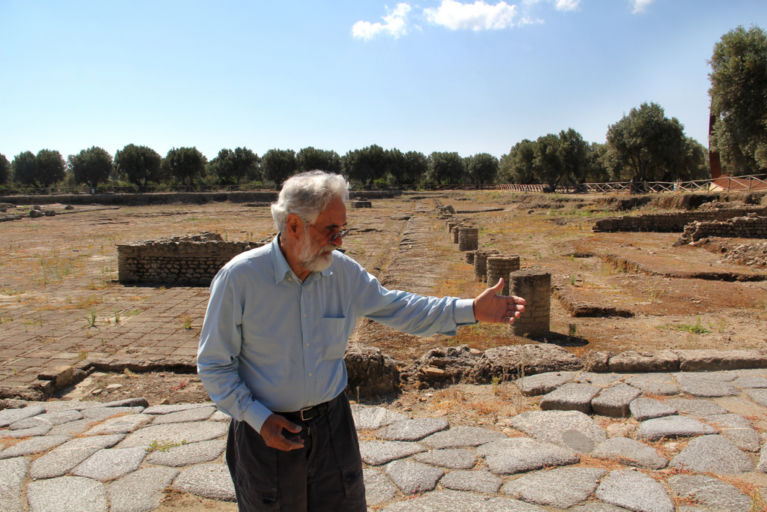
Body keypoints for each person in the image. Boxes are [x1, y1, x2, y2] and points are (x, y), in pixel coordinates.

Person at [197, 171, 526, 511]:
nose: (339, 240)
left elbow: (402, 308)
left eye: (343, 229)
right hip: (265, 433)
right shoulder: (240, 279)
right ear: (293, 225)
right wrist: (258, 418)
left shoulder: (344, 273)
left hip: (332, 428)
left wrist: (471, 309)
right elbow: (214, 364)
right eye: (330, 229)